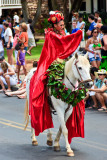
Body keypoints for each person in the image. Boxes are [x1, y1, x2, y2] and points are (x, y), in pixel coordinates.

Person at [30, 10, 84, 144]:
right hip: (51, 63)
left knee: (76, 90)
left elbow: (67, 47)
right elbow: (63, 42)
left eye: (62, 24)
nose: (62, 26)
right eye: (60, 24)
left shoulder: (62, 32)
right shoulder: (51, 34)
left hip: (65, 64)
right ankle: (43, 108)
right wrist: (77, 33)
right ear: (54, 25)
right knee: (41, 83)